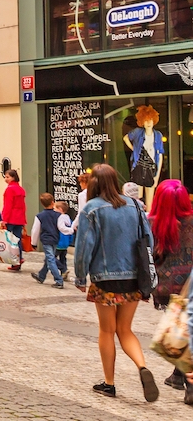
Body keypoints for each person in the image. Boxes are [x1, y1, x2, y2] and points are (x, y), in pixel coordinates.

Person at [75, 163, 159, 402]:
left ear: (94, 184)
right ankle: (142, 366)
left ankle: (109, 383)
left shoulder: (91, 208)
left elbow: (83, 248)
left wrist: (80, 276)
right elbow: (148, 240)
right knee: (125, 329)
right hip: (133, 278)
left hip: (105, 279)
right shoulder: (134, 205)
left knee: (106, 330)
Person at [149, 179, 193, 402]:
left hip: (165, 286)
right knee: (186, 328)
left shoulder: (152, 223)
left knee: (181, 326)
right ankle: (189, 382)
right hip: (189, 283)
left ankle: (177, 375)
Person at [30, 193, 67, 288]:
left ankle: (58, 280)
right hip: (55, 239)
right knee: (49, 258)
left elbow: (35, 230)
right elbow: (62, 227)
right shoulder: (59, 215)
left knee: (50, 259)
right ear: (52, 202)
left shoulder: (39, 216)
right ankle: (41, 276)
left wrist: (33, 243)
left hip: (46, 240)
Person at [0, 169, 27, 271]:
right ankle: (19, 259)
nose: (5, 179)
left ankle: (14, 260)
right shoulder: (20, 189)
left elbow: (8, 206)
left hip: (11, 217)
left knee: (9, 241)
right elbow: (23, 206)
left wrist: (4, 219)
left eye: (8, 177)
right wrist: (24, 220)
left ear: (13, 178)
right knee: (17, 240)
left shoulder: (9, 189)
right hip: (19, 218)